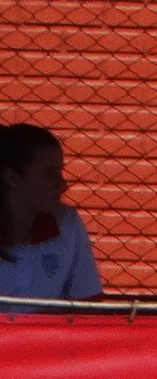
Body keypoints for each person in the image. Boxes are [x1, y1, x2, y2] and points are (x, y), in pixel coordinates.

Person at [0, 123, 101, 303]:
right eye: (50, 174)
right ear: (12, 178)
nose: (62, 183)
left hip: (47, 332)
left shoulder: (67, 224)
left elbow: (88, 304)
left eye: (60, 172)